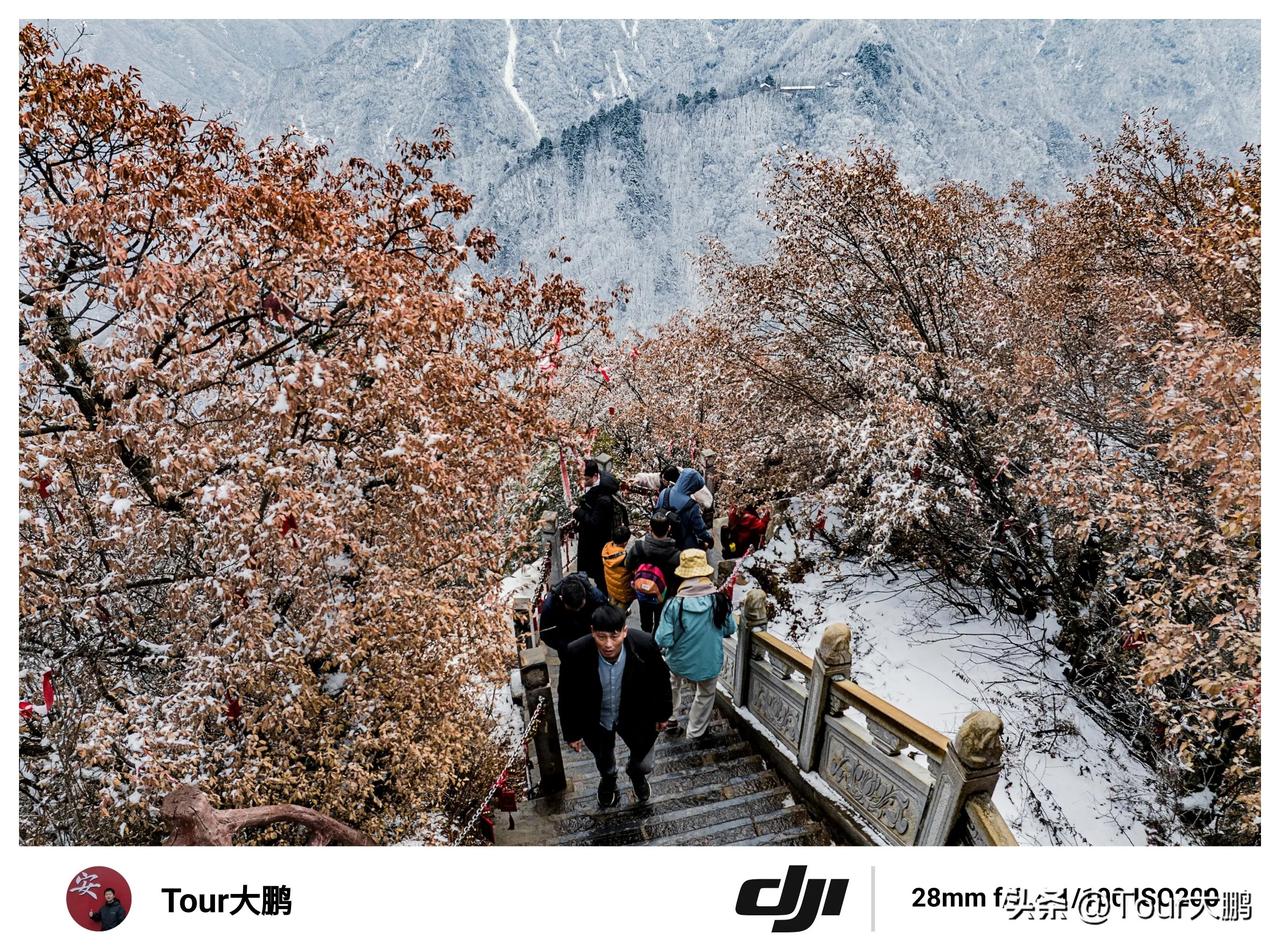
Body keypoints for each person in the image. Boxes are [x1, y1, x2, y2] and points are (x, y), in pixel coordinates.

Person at [558, 604, 674, 807]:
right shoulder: (576, 653)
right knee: (604, 759)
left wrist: (663, 714)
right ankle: (609, 779)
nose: (608, 644)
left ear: (624, 631)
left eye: (614, 636)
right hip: (597, 719)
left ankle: (636, 774)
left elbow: (661, 680)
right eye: (602, 637)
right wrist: (572, 733)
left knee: (645, 763)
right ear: (593, 631)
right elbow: (567, 695)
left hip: (636, 715)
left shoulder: (644, 645)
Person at [655, 549, 736, 739]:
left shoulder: (674, 604)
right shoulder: (719, 601)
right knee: (706, 693)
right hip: (709, 661)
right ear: (706, 572)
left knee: (672, 684)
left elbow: (663, 639)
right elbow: (729, 629)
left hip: (679, 661)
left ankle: (671, 718)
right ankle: (696, 731)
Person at [625, 511, 683, 634]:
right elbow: (678, 578)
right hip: (663, 594)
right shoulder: (676, 554)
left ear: (650, 528)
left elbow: (628, 564)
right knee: (660, 618)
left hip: (642, 588)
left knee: (645, 616)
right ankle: (655, 641)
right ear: (669, 528)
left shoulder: (639, 547)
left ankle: (645, 634)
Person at [573, 460, 624, 590]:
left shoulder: (603, 498)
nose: (583, 482)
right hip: (595, 539)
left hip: (598, 542)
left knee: (600, 575)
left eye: (586, 479)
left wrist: (577, 511)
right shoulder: (600, 484)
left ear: (595, 476)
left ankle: (602, 598)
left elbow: (594, 523)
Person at [538, 572, 607, 654]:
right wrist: (566, 647)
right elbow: (545, 634)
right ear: (562, 599)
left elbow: (607, 620)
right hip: (568, 645)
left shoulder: (596, 597)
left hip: (592, 641)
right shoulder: (551, 605)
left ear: (584, 596)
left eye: (580, 607)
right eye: (573, 608)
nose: (577, 610)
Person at [656, 468, 713, 551]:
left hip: (664, 540)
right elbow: (700, 531)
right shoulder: (692, 505)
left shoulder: (664, 493)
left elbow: (656, 513)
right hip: (684, 545)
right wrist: (710, 540)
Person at [628, 466, 714, 512]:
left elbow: (705, 500)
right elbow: (651, 478)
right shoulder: (667, 476)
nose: (661, 481)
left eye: (664, 480)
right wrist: (638, 479)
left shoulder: (690, 489)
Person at [600, 524, 635, 609]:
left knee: (612, 609)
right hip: (624, 593)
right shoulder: (624, 558)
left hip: (612, 589)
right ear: (625, 542)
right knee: (618, 617)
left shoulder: (606, 549)